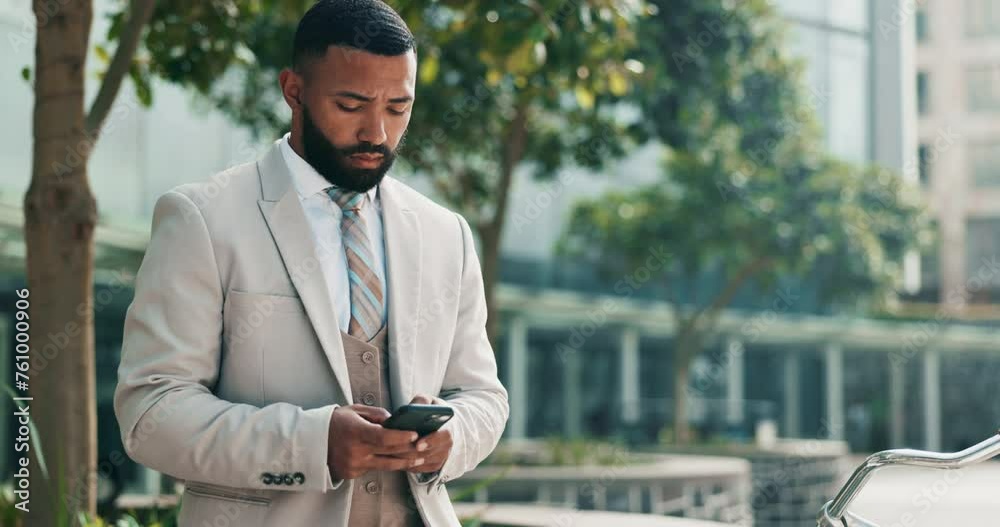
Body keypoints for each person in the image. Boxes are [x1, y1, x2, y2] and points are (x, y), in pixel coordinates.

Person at [113, 1, 509, 525]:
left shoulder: (446, 234)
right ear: (293, 91)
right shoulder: (202, 219)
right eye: (351, 105)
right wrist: (310, 443)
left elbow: (483, 395)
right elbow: (150, 413)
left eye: (398, 107)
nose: (377, 133)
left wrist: (452, 436)